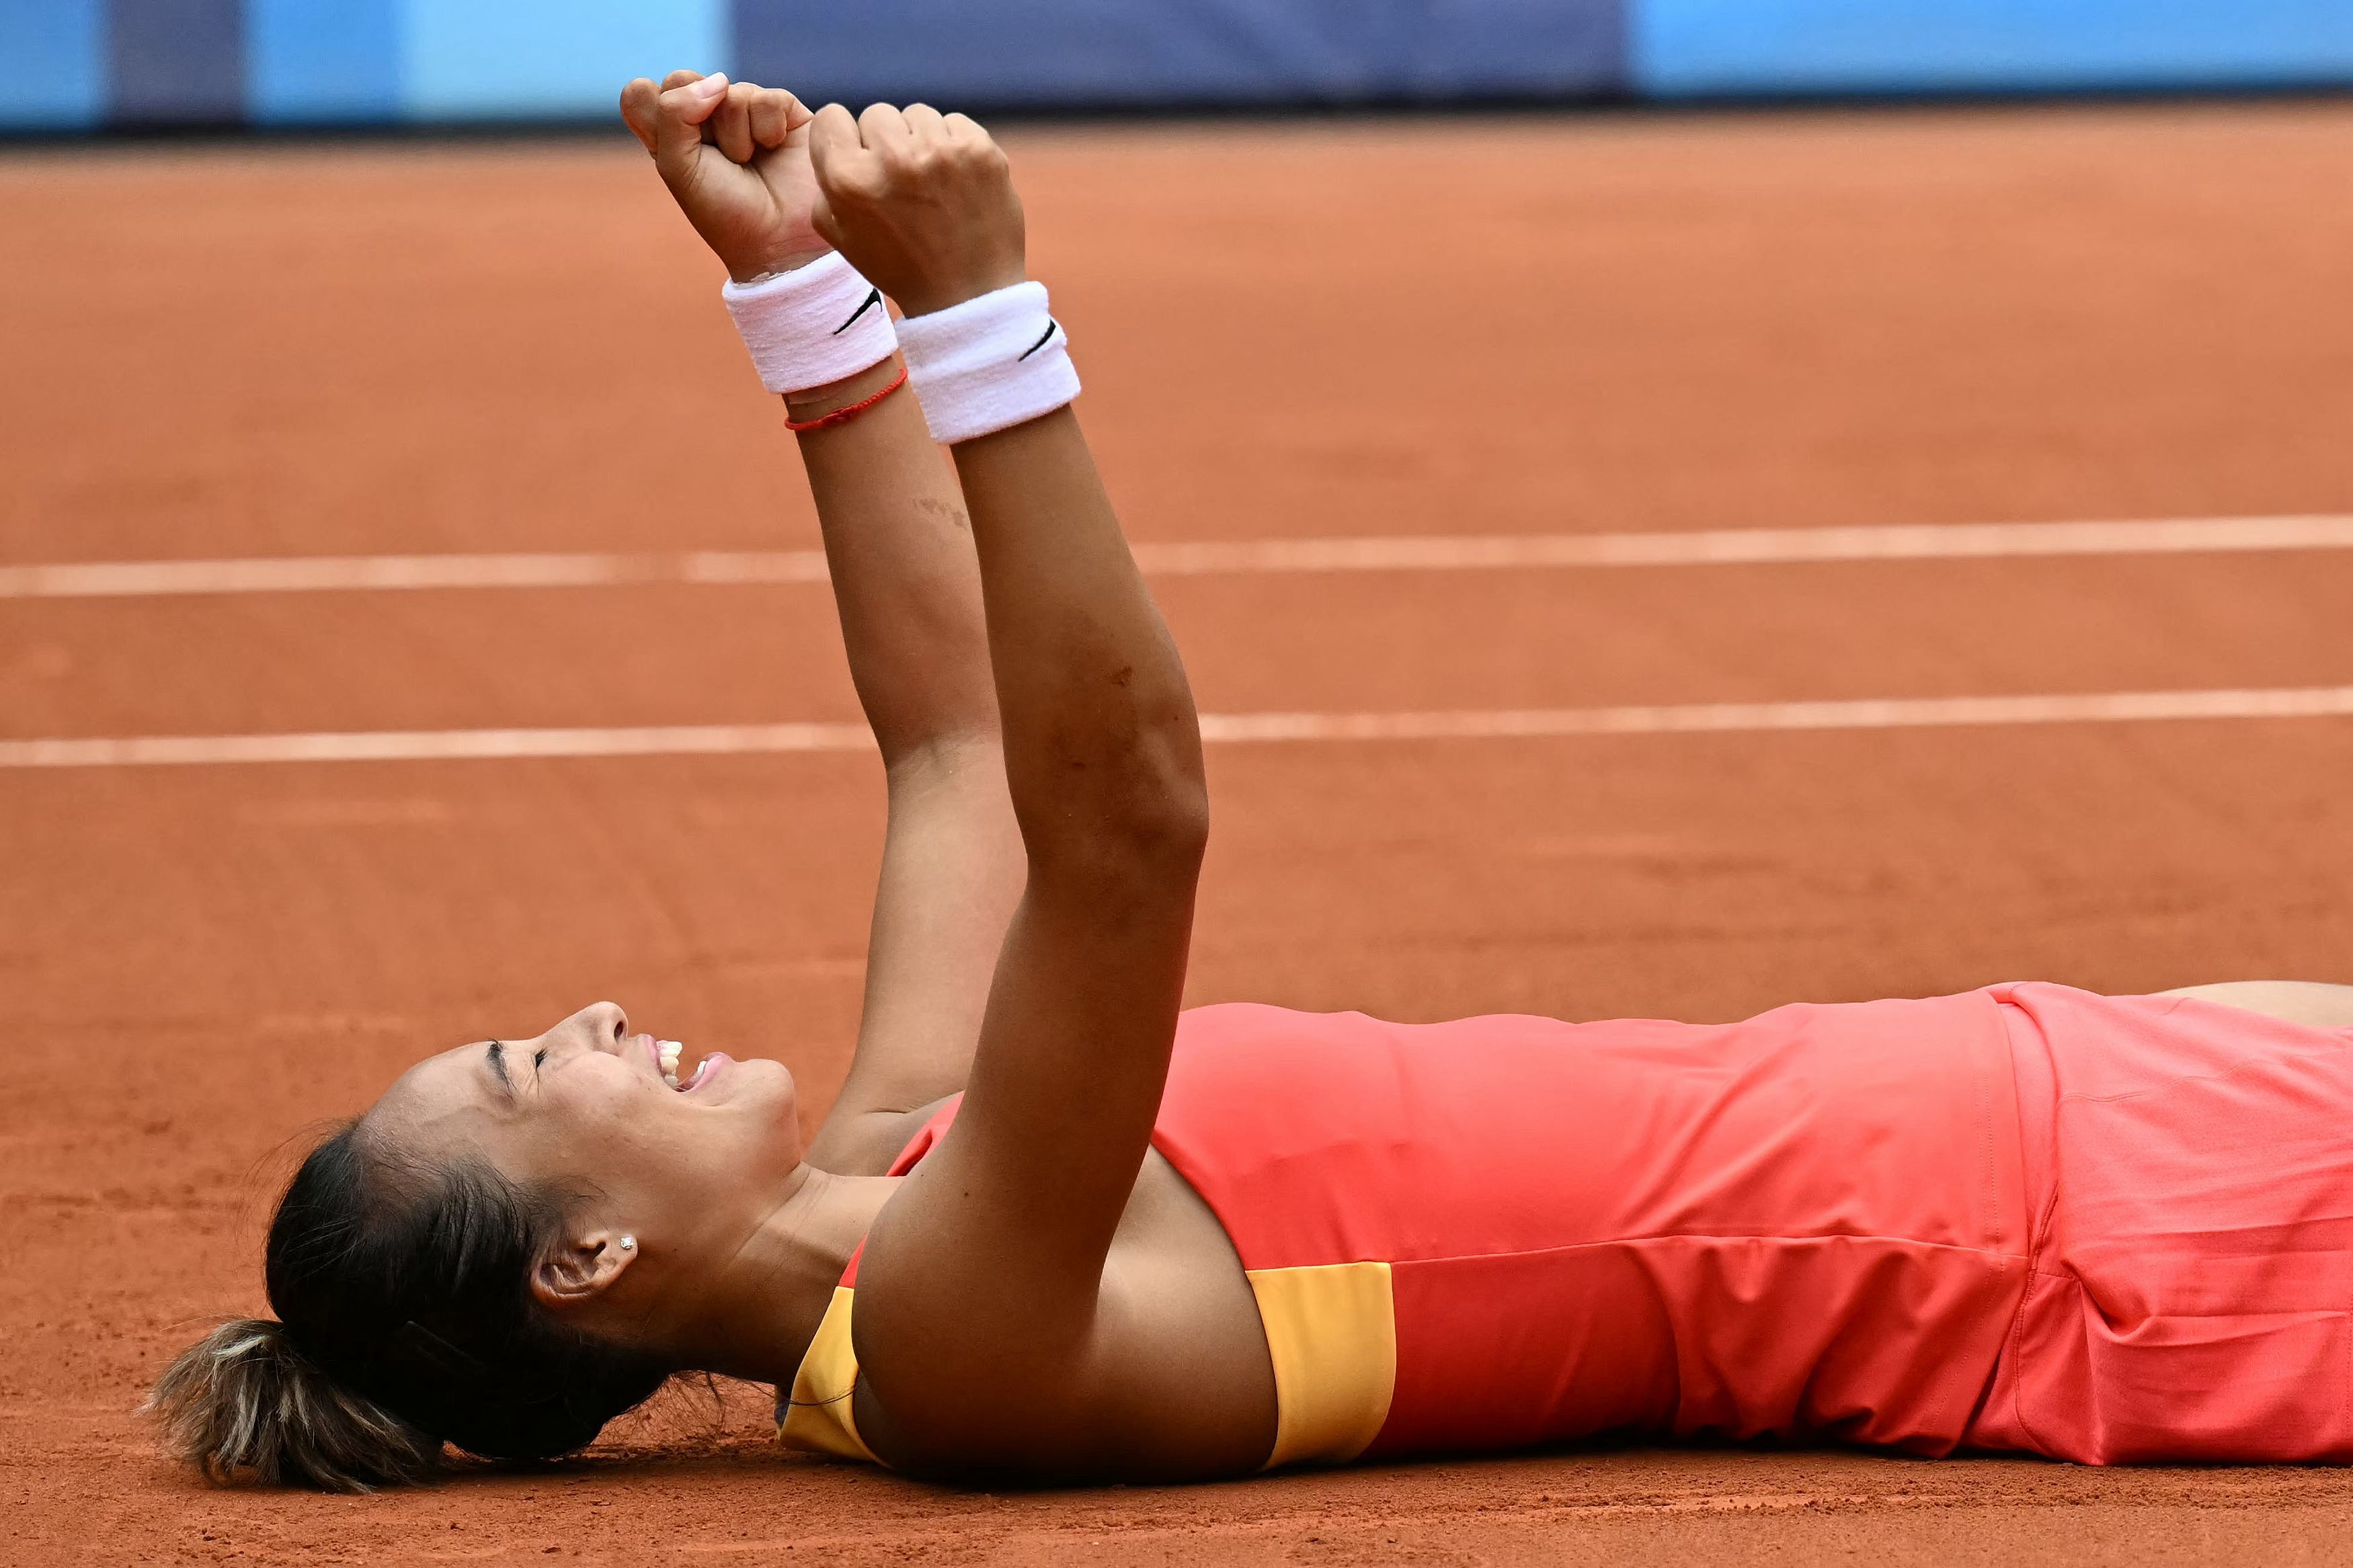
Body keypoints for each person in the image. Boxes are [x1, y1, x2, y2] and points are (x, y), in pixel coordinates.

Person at [151, 71, 2353, 1493]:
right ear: (588, 1259)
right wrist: (990, 328)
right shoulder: (954, 1342)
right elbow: (1122, 826)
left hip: (2069, 1083)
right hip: (2084, 1241)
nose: (602, 1014)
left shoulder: (898, 1169)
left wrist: (813, 315)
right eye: (542, 1067)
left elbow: (952, 754)